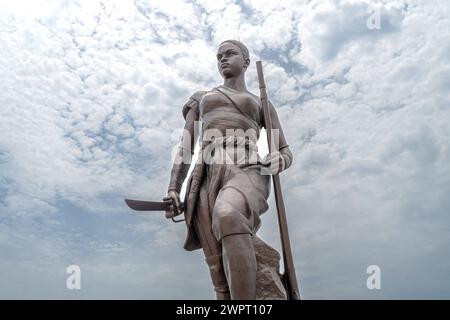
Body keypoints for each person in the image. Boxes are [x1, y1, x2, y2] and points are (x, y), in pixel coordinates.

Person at [166, 40, 293, 300]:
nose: (223, 59)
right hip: (206, 171)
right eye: (219, 56)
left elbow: (285, 150)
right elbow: (186, 147)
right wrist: (173, 188)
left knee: (228, 215)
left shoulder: (262, 104)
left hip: (248, 166)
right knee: (217, 267)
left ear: (246, 62)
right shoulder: (201, 98)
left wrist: (280, 159)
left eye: (230, 54)